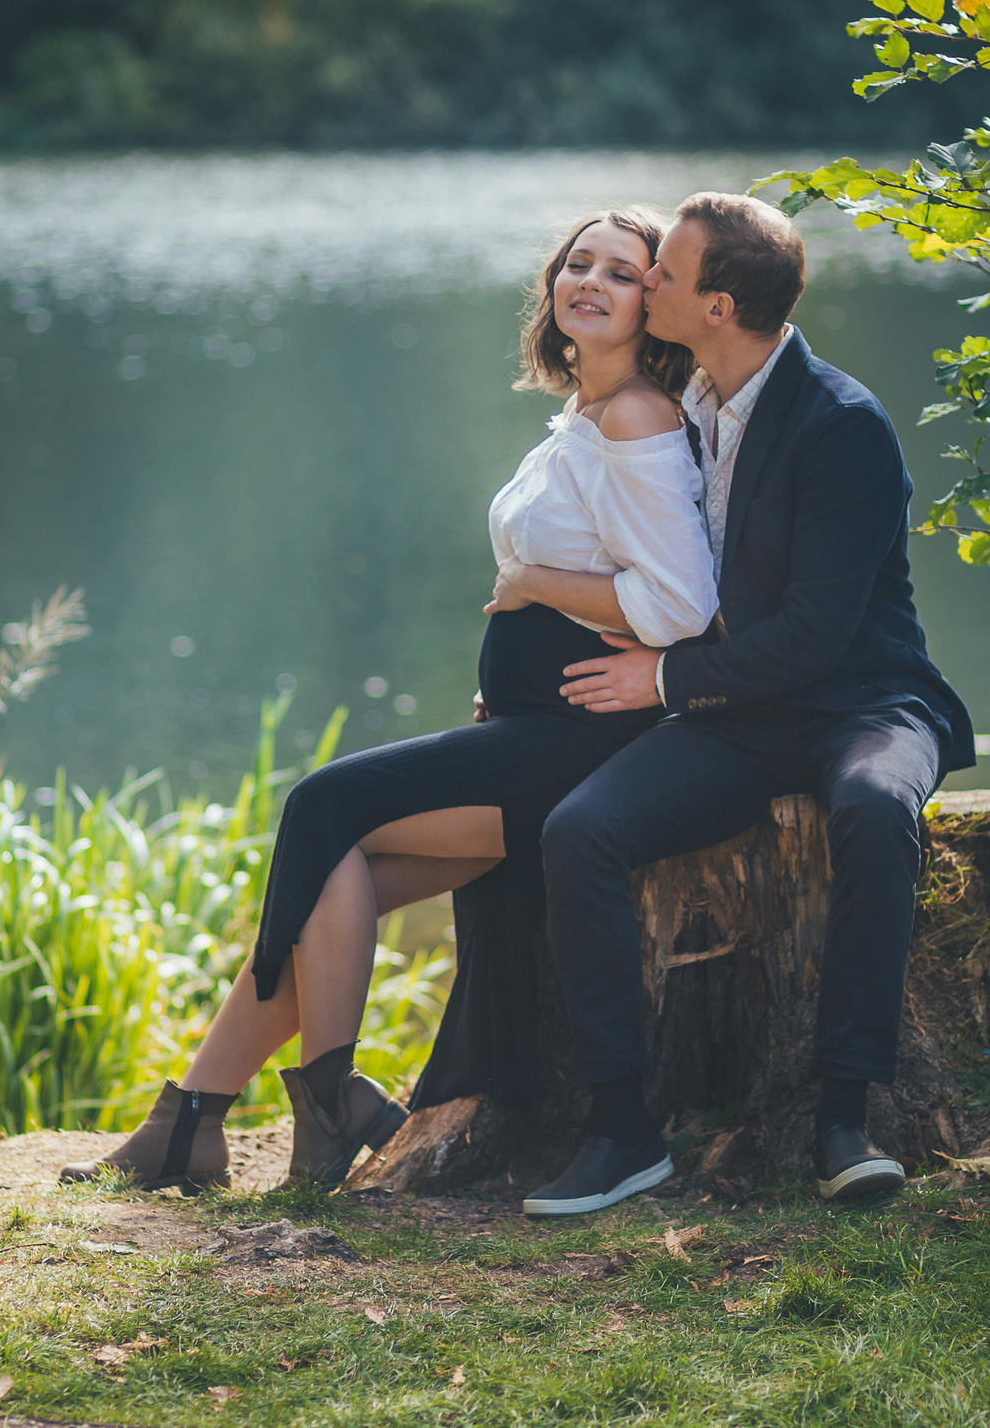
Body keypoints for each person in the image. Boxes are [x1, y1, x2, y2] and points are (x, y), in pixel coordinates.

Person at [59, 207, 719, 1193]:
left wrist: (538, 592)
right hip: (538, 726)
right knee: (339, 868)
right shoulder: (584, 415)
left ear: (653, 303)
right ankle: (196, 1114)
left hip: (588, 743)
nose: (589, 279)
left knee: (322, 808)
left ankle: (312, 1102)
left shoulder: (636, 417)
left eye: (621, 272)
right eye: (576, 262)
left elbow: (680, 603)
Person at [527, 190, 976, 1215]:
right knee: (580, 829)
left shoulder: (843, 424)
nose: (644, 285)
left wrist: (665, 678)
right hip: (742, 715)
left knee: (870, 808)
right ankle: (622, 1130)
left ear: (717, 306)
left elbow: (819, 630)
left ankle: (843, 1114)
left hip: (865, 702)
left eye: (664, 276)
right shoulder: (689, 406)